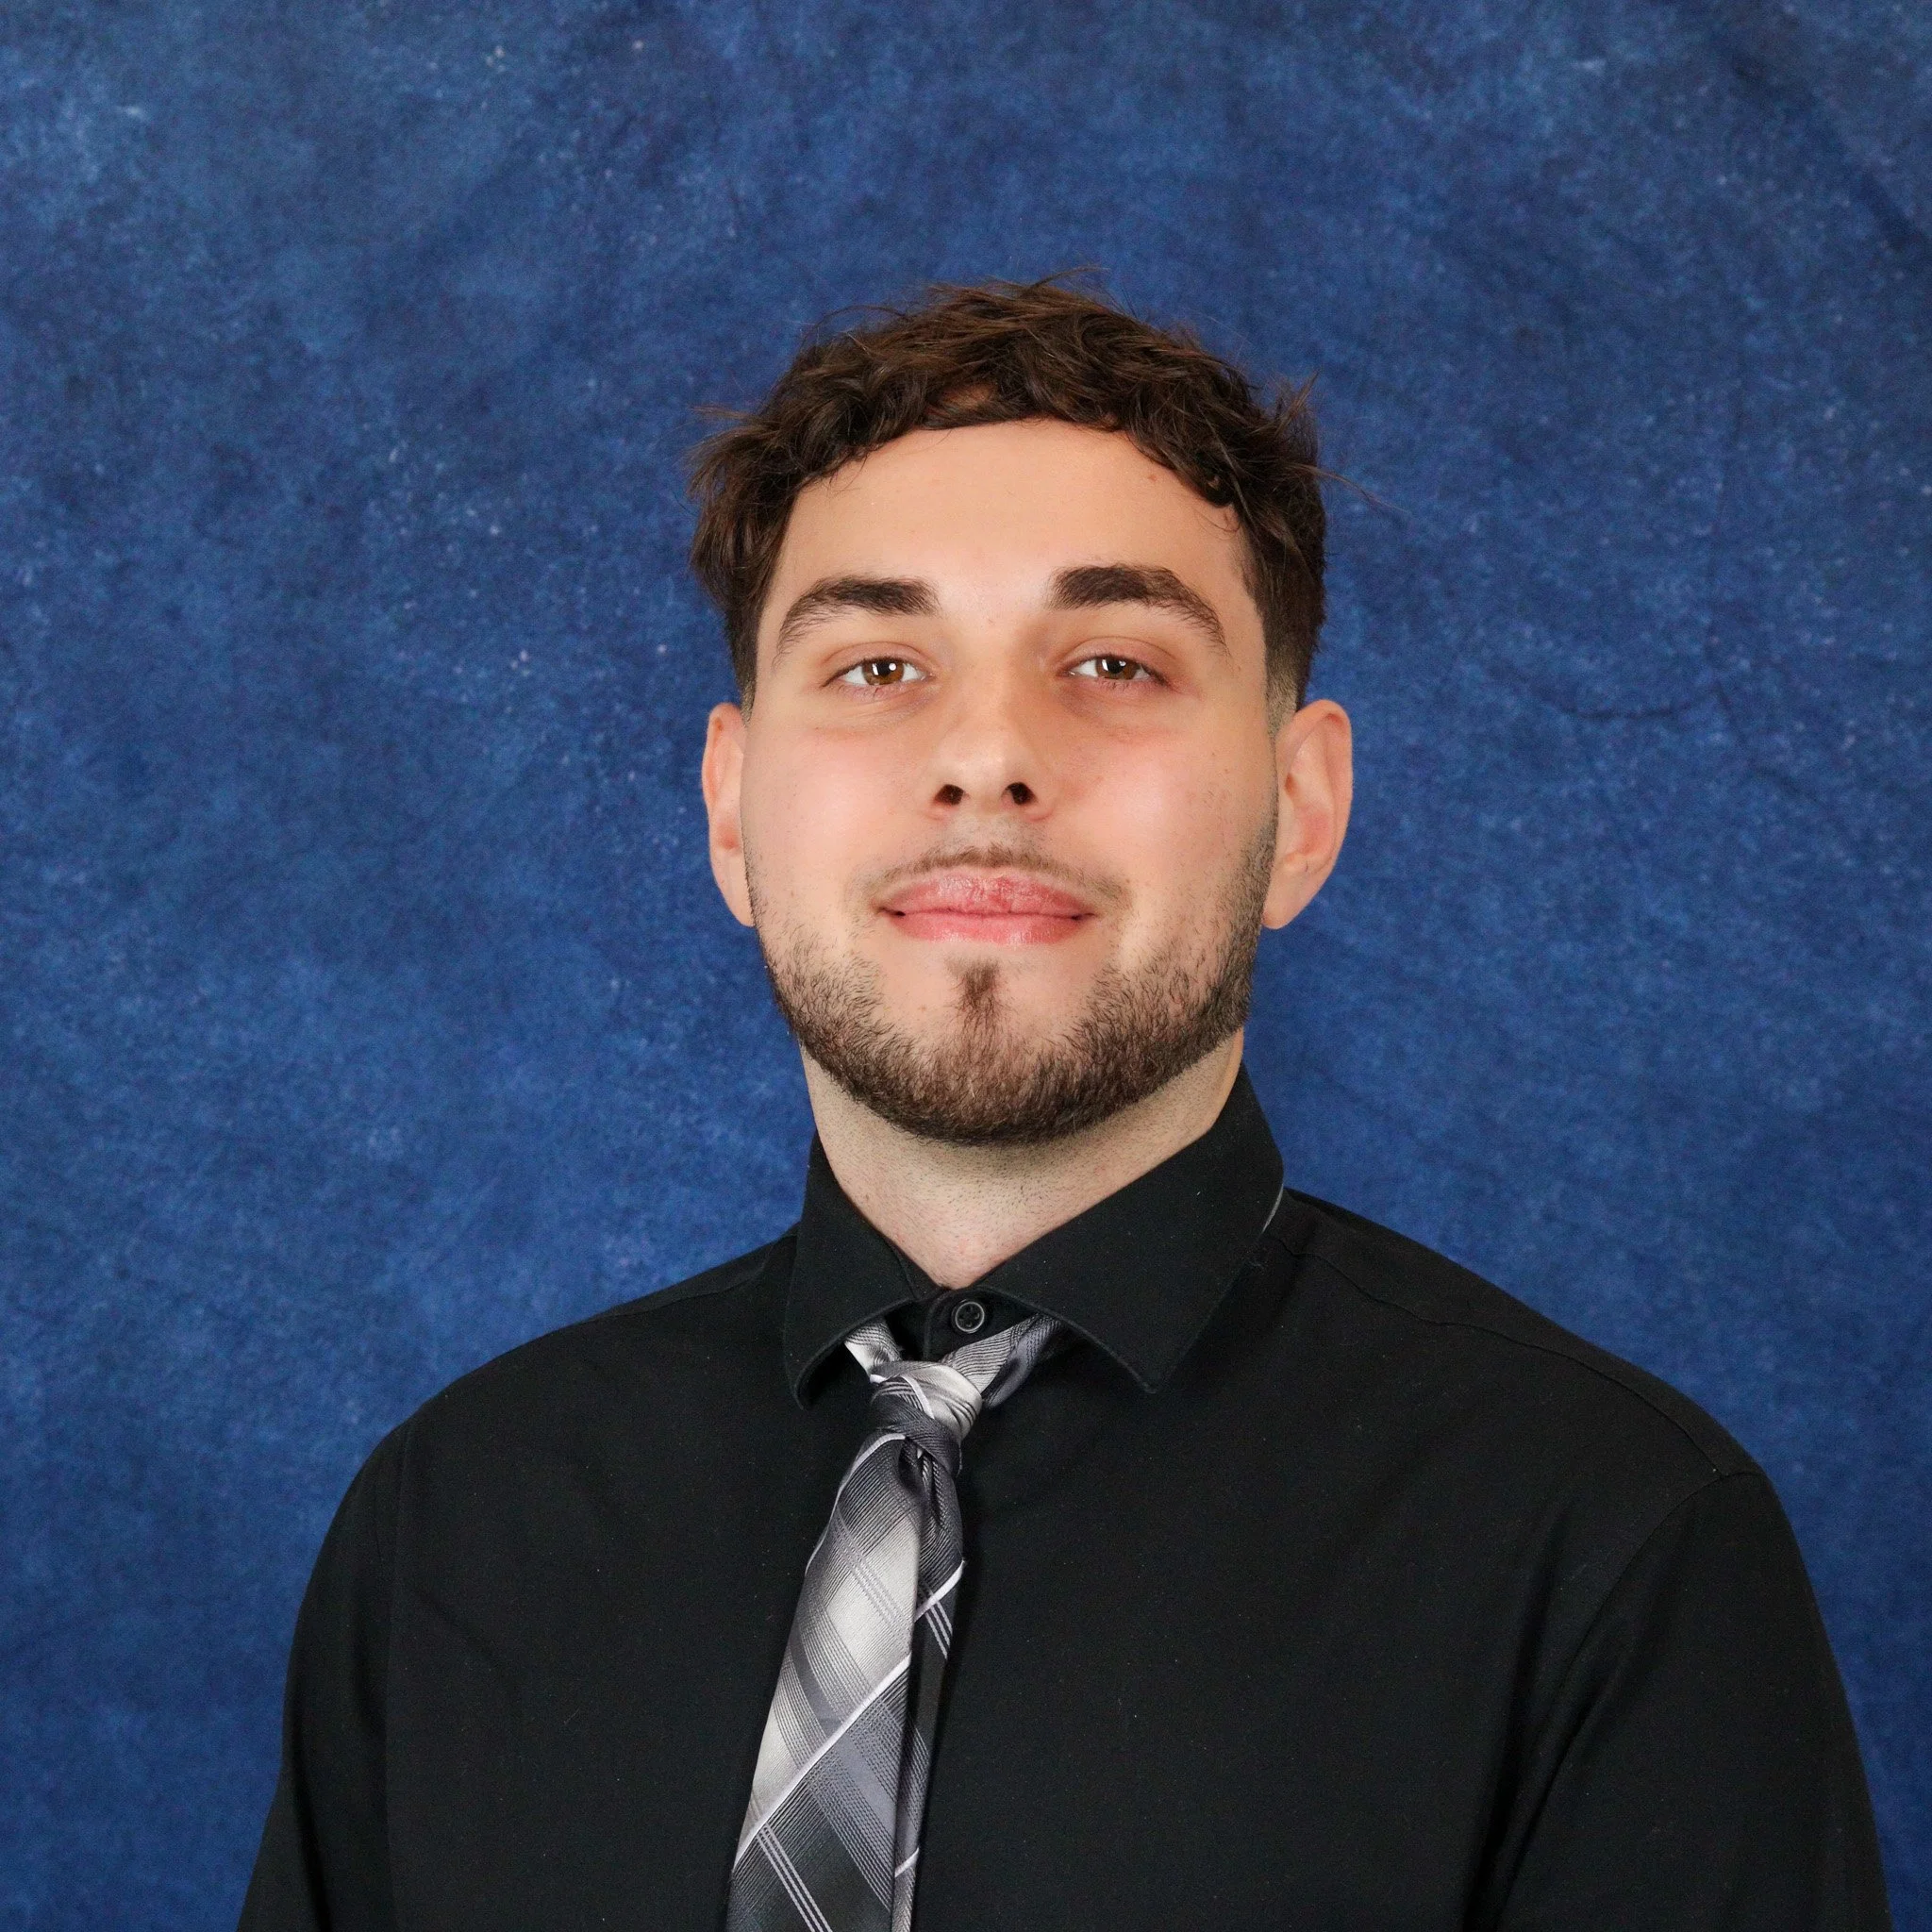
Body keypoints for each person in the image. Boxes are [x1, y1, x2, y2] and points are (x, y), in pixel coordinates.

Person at [239, 279, 1890, 1931]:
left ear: (1301, 811)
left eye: (1112, 658)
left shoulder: (1611, 1558)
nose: (987, 755)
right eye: (880, 662)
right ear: (733, 814)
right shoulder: (455, 1526)